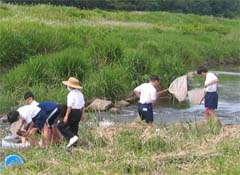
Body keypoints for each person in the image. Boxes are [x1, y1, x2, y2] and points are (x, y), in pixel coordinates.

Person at [57, 77, 85, 148]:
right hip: (79, 112)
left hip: (72, 112)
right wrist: (82, 115)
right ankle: (73, 146)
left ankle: (72, 137)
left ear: (70, 86)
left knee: (60, 125)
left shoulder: (71, 94)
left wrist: (66, 116)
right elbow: (83, 105)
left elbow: (69, 106)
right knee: (74, 128)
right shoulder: (80, 94)